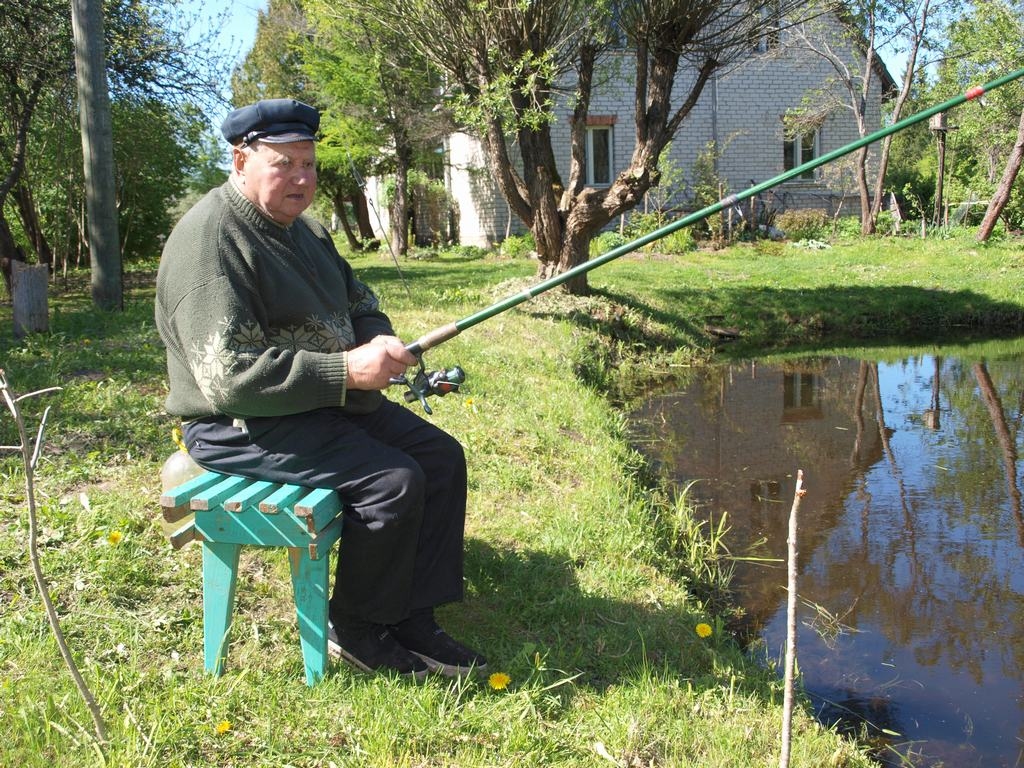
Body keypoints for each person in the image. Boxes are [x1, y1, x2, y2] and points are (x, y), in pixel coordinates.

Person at [155, 98, 485, 680]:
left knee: (440, 457)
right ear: (240, 160)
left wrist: (379, 342)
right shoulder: (210, 239)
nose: (302, 179)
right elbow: (226, 377)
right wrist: (343, 373)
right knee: (392, 482)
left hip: (323, 402)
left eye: (308, 164)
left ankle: (413, 617)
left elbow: (360, 301)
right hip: (239, 424)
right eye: (284, 163)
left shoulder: (303, 230)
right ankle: (354, 628)